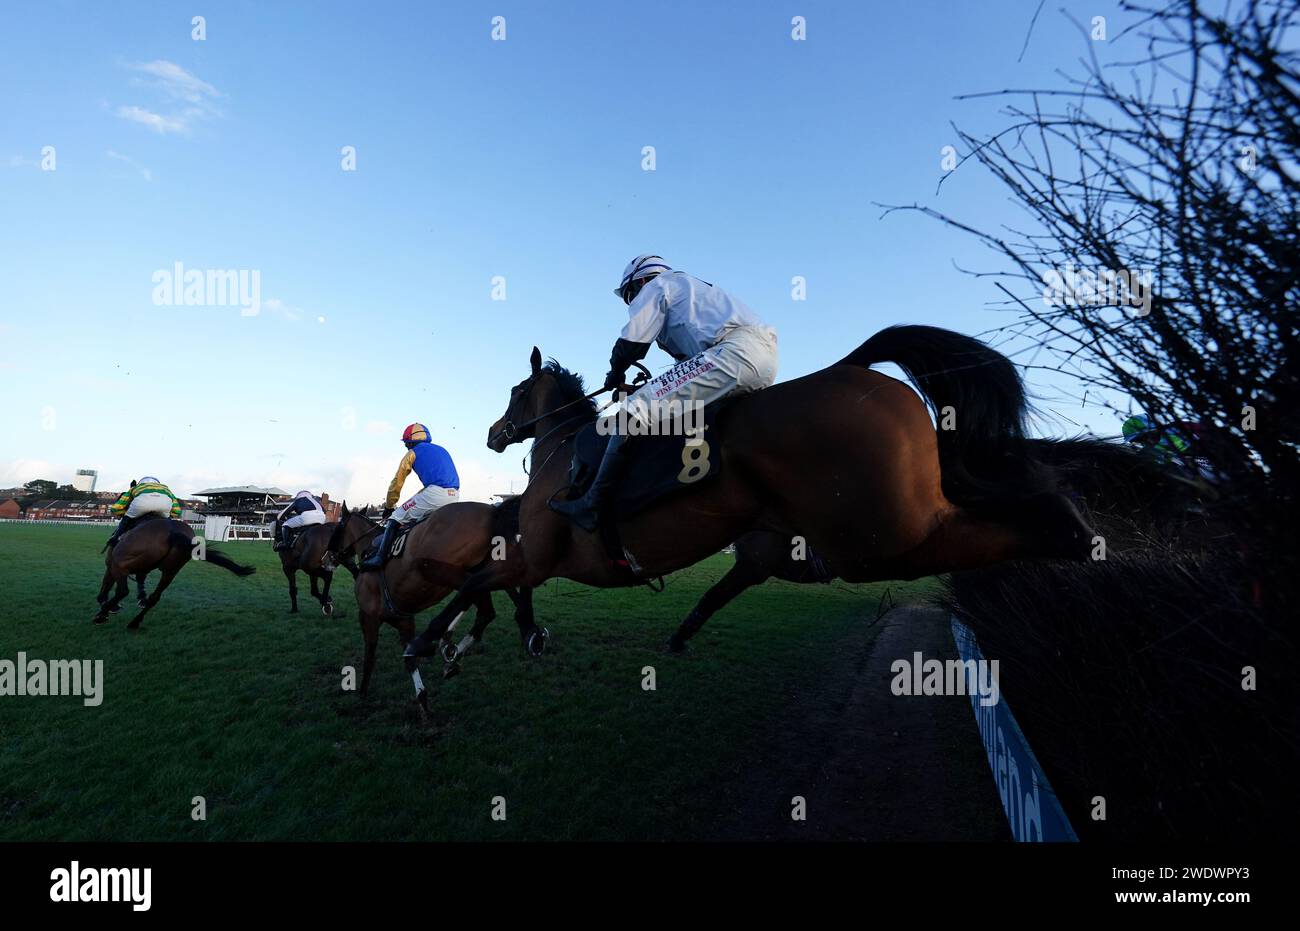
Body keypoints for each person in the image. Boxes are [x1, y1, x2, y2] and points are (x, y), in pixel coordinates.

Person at [549, 254, 779, 531]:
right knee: (676, 414)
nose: (632, 303)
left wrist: (615, 373)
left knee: (633, 409)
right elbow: (686, 375)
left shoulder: (657, 286)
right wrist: (640, 388)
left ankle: (592, 504)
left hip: (734, 354)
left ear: (641, 281)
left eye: (630, 296)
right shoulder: (690, 294)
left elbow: (631, 344)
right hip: (760, 359)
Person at [360, 423, 461, 570]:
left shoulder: (412, 453)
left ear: (411, 441)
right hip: (454, 495)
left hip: (435, 493)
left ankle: (379, 558)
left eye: (406, 444)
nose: (406, 447)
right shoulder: (442, 449)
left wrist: (390, 506)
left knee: (396, 517)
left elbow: (397, 483)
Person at [107, 476, 181, 547]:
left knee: (126, 518)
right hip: (164, 507)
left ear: (140, 483)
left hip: (141, 506)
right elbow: (177, 511)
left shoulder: (135, 488)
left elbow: (116, 508)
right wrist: (169, 515)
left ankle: (115, 538)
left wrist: (124, 514)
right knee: (168, 522)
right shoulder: (166, 488)